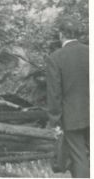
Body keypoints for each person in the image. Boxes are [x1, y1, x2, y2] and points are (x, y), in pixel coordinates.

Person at [46, 17, 90, 178]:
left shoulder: (56, 57)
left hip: (72, 117)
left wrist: (55, 121)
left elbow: (54, 93)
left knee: (79, 158)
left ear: (61, 34)